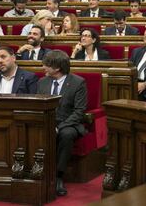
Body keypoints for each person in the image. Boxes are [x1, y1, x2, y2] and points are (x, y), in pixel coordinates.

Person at [37, 50, 87, 196]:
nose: (43, 68)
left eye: (46, 65)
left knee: (66, 134)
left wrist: (59, 127)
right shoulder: (42, 82)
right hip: (47, 121)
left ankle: (58, 176)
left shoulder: (78, 82)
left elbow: (79, 111)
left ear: (57, 68)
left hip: (69, 123)